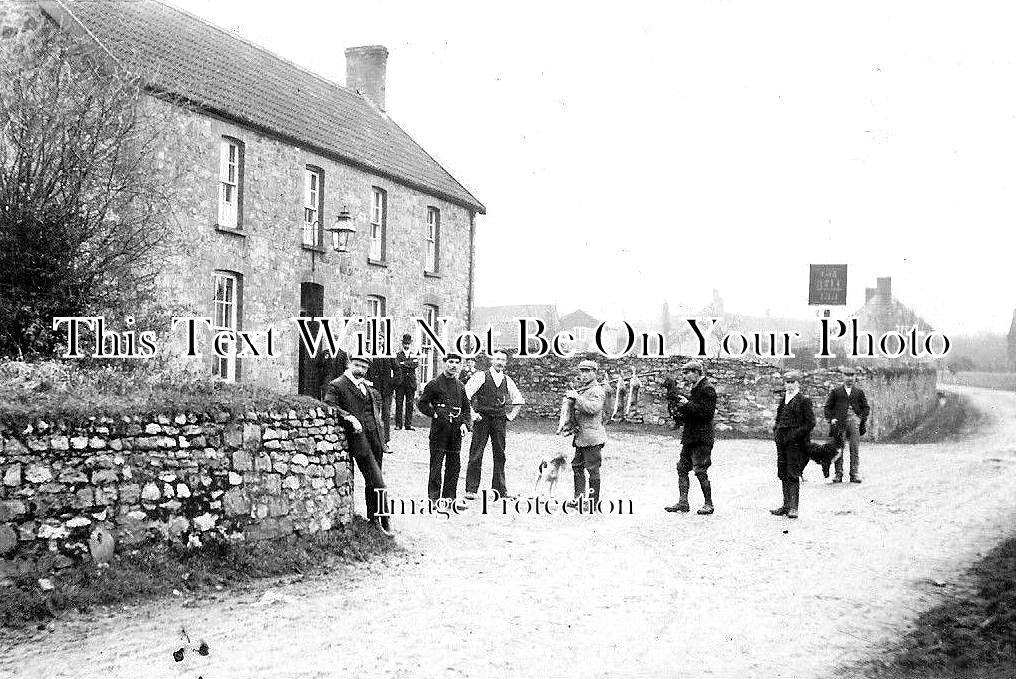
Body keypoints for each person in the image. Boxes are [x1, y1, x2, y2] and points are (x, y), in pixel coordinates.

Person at [324, 355, 392, 536]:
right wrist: (349, 417)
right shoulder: (337, 385)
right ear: (348, 364)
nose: (360, 369)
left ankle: (374, 520)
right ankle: (384, 520)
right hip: (360, 441)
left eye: (364, 366)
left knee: (374, 481)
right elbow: (329, 404)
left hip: (375, 439)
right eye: (357, 365)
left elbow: (374, 411)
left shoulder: (366, 386)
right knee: (378, 481)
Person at [463, 349, 525, 500]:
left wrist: (510, 416)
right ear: (492, 360)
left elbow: (518, 400)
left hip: (499, 420)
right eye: (497, 359)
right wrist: (472, 414)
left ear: (506, 363)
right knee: (476, 453)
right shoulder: (481, 376)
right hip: (482, 419)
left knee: (500, 454)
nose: (500, 362)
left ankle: (499, 489)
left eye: (503, 360)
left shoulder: (507, 380)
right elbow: (465, 395)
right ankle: (471, 489)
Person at [417, 352, 472, 501]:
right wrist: (433, 413)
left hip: (455, 432)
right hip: (439, 431)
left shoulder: (460, 386)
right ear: (445, 363)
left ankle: (449, 498)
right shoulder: (434, 384)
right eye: (451, 362)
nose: (453, 365)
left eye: (456, 363)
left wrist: (465, 424)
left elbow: (466, 408)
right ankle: (433, 499)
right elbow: (421, 403)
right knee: (436, 464)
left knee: (454, 466)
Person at [665, 360, 717, 515]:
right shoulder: (696, 388)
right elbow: (693, 411)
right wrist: (681, 410)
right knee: (682, 468)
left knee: (700, 470)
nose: (685, 376)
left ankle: (709, 504)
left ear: (697, 372)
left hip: (702, 437)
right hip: (690, 436)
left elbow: (706, 413)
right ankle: (683, 503)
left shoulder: (708, 389)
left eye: (688, 372)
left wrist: (687, 404)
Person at [771, 370, 815, 519]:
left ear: (798, 383)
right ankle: (786, 505)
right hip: (781, 441)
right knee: (782, 471)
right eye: (787, 382)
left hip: (795, 443)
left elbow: (810, 423)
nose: (789, 385)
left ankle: (794, 507)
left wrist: (795, 434)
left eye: (792, 382)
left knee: (792, 472)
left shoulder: (803, 400)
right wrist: (776, 431)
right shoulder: (784, 399)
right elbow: (778, 419)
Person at [566, 359, 607, 509]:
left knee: (592, 469)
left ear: (594, 373)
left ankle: (592, 503)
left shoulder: (597, 391)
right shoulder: (584, 390)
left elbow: (593, 409)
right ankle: (579, 499)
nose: (583, 375)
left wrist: (577, 397)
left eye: (587, 371)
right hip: (581, 437)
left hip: (592, 438)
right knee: (577, 467)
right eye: (581, 371)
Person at [823, 366, 870, 483]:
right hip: (839, 423)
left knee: (854, 448)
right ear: (843, 376)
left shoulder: (859, 392)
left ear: (855, 377)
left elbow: (866, 408)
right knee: (838, 449)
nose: (849, 378)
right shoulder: (836, 392)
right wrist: (831, 419)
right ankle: (838, 474)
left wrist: (860, 418)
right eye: (847, 375)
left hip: (854, 422)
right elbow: (827, 408)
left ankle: (854, 474)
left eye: (852, 375)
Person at [365, 335, 398, 445]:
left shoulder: (389, 354)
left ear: (384, 341)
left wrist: (392, 384)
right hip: (374, 390)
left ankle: (385, 441)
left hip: (387, 391)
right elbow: (365, 371)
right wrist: (369, 384)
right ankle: (374, 441)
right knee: (374, 415)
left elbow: (398, 371)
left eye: (380, 339)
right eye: (376, 339)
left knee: (386, 415)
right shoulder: (369, 354)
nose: (378, 341)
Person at [394, 333, 420, 430]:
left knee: (409, 404)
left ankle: (408, 424)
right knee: (399, 404)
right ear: (402, 344)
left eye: (408, 344)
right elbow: (397, 365)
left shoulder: (414, 354)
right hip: (400, 383)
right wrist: (409, 364)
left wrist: (404, 363)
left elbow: (415, 364)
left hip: (411, 383)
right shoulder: (398, 355)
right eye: (405, 343)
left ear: (410, 344)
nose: (406, 345)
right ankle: (398, 424)